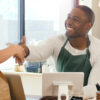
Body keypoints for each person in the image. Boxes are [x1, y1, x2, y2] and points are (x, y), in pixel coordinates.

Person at [16, 5, 100, 99]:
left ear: (89, 25)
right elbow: (39, 51)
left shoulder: (97, 48)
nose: (69, 22)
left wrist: (67, 96)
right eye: (68, 17)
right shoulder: (57, 41)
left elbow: (94, 87)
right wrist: (24, 50)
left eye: (75, 19)